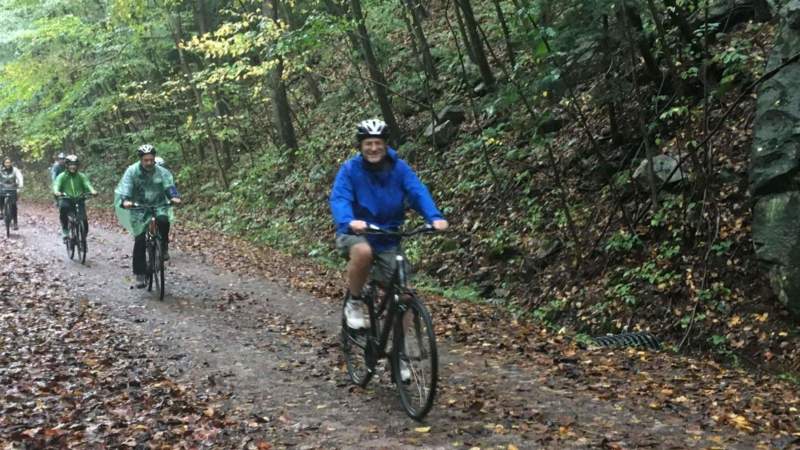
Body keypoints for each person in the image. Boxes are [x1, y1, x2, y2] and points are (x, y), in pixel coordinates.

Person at [329, 119, 448, 333]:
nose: (373, 148)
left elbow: (416, 191)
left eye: (378, 143)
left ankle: (400, 356)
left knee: (404, 297)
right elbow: (340, 199)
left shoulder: (399, 169)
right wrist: (349, 220)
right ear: (361, 146)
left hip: (388, 235)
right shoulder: (350, 170)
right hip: (356, 231)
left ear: (385, 144)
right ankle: (354, 303)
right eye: (368, 143)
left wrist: (434, 217)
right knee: (363, 252)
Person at [115, 144, 181, 288]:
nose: (149, 163)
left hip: (158, 205)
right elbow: (126, 187)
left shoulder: (162, 172)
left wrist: (174, 197)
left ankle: (163, 246)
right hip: (138, 208)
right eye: (146, 160)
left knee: (164, 221)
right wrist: (126, 200)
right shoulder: (132, 171)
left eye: (151, 160)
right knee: (140, 240)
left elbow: (169, 186)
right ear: (141, 159)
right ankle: (140, 273)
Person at [53, 155, 97, 240]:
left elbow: (87, 184)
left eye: (75, 164)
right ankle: (65, 231)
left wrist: (92, 191)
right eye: (70, 164)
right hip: (66, 198)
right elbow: (57, 184)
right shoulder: (62, 176)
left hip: (79, 199)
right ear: (66, 165)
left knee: (83, 220)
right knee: (63, 209)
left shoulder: (81, 176)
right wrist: (57, 192)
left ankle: (83, 238)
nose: (73, 166)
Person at [0, 157, 24, 229]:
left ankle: (15, 223)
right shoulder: (0, 169)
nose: (8, 164)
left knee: (13, 205)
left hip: (12, 188)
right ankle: (1, 211)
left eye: (9, 162)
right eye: (6, 162)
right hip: (2, 188)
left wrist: (20, 185)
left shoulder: (15, 170)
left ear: (11, 163)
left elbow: (20, 177)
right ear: (3, 163)